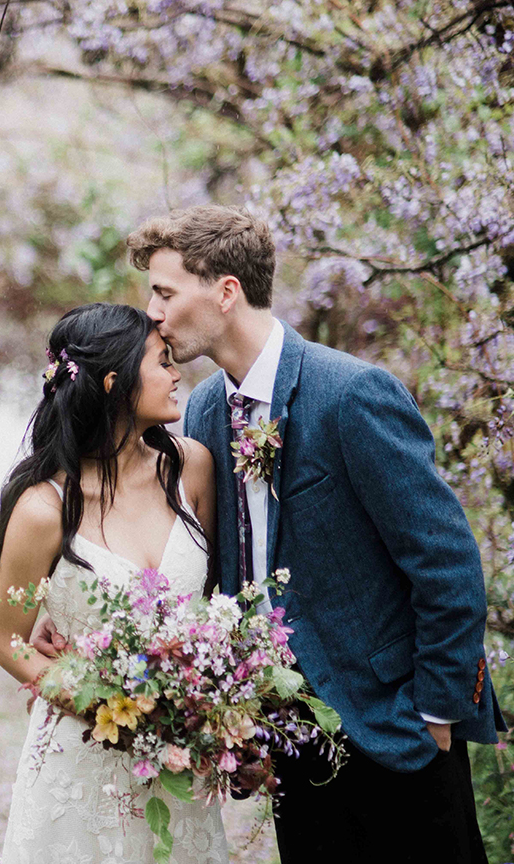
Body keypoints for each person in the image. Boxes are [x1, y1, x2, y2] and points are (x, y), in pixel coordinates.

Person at [37, 204, 503, 862]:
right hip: (289, 741)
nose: (153, 313)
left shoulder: (351, 394)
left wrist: (435, 713)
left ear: (226, 291)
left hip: (394, 730)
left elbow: (448, 565)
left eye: (164, 291)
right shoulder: (201, 410)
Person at [0, 302, 228, 863]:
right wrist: (102, 703)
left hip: (178, 757)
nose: (175, 373)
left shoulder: (192, 468)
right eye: (161, 362)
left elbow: (211, 605)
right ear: (115, 383)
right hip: (84, 754)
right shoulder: (45, 509)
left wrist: (202, 704)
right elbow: (7, 640)